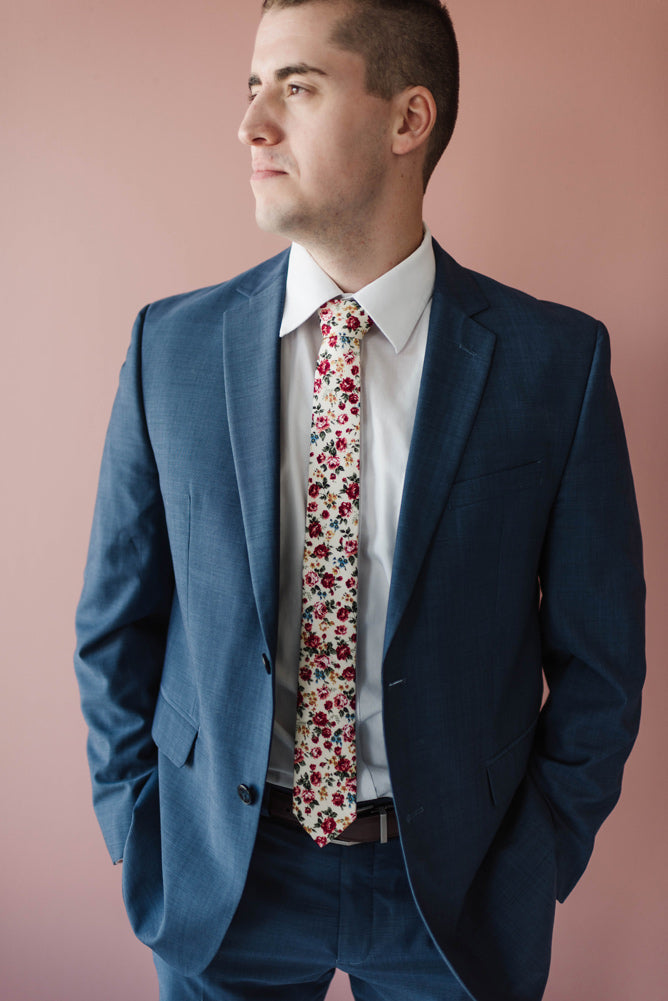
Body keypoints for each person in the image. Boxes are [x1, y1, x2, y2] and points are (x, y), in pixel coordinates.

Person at [74, 1, 646, 999]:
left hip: (453, 893)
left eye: (295, 86)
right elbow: (114, 624)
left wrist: (538, 857)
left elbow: (601, 658)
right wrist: (140, 823)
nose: (252, 123)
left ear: (406, 119)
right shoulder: (169, 348)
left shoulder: (554, 364)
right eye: (251, 89)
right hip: (225, 880)